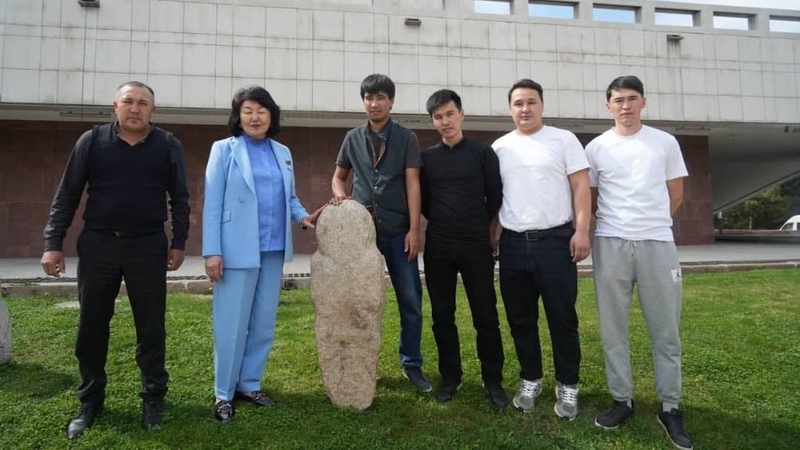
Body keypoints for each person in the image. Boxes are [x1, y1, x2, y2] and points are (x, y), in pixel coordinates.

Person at [41, 81, 190, 439]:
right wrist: (52, 242)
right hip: (99, 245)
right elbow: (67, 194)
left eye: (143, 103)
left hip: (148, 246)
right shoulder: (91, 141)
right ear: (115, 105)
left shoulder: (168, 145)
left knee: (150, 327)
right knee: (91, 326)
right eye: (128, 101)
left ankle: (153, 397)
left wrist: (179, 242)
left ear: (153, 110)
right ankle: (90, 400)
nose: (135, 108)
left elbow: (180, 198)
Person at [587, 75, 693, 450]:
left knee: (666, 330)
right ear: (608, 106)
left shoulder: (664, 143)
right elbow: (592, 197)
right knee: (613, 329)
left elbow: (675, 195)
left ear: (643, 102)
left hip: (657, 244)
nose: (626, 106)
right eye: (618, 100)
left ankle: (670, 406)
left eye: (632, 98)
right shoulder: (596, 148)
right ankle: (622, 399)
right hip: (611, 243)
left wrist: (650, 223)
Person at [203, 86, 318, 423]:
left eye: (261, 111)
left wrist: (303, 218)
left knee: (263, 322)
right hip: (235, 250)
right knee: (231, 323)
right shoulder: (223, 150)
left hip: (273, 248)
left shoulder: (282, 152)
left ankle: (249, 384)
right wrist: (212, 251)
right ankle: (223, 393)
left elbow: (290, 197)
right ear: (238, 116)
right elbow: (213, 204)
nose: (255, 117)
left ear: (272, 115)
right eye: (248, 111)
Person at [492, 79, 591, 420]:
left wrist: (581, 231)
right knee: (521, 319)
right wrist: (492, 235)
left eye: (531, 102)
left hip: (556, 243)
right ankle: (530, 379)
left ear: (542, 105)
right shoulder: (500, 147)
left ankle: (568, 384)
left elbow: (581, 187)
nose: (525, 109)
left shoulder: (564, 140)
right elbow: (497, 197)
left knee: (562, 318)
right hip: (513, 245)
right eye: (518, 103)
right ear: (510, 109)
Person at [329, 74, 430, 392]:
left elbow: (413, 184)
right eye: (369, 97)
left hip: (399, 231)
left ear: (391, 101)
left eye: (381, 97)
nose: (374, 103)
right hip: (361, 234)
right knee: (359, 302)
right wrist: (341, 197)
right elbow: (338, 177)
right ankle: (360, 364)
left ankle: (411, 363)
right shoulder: (352, 138)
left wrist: (414, 230)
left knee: (410, 301)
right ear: (363, 101)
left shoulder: (406, 137)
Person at [419, 89, 507, 408]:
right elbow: (424, 201)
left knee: (485, 313)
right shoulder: (426, 158)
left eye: (450, 114)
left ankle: (493, 380)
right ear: (433, 122)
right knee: (442, 315)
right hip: (439, 244)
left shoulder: (483, 153)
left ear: (461, 114)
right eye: (438, 117)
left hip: (475, 243)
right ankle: (450, 377)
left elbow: (495, 196)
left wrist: (480, 225)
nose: (445, 121)